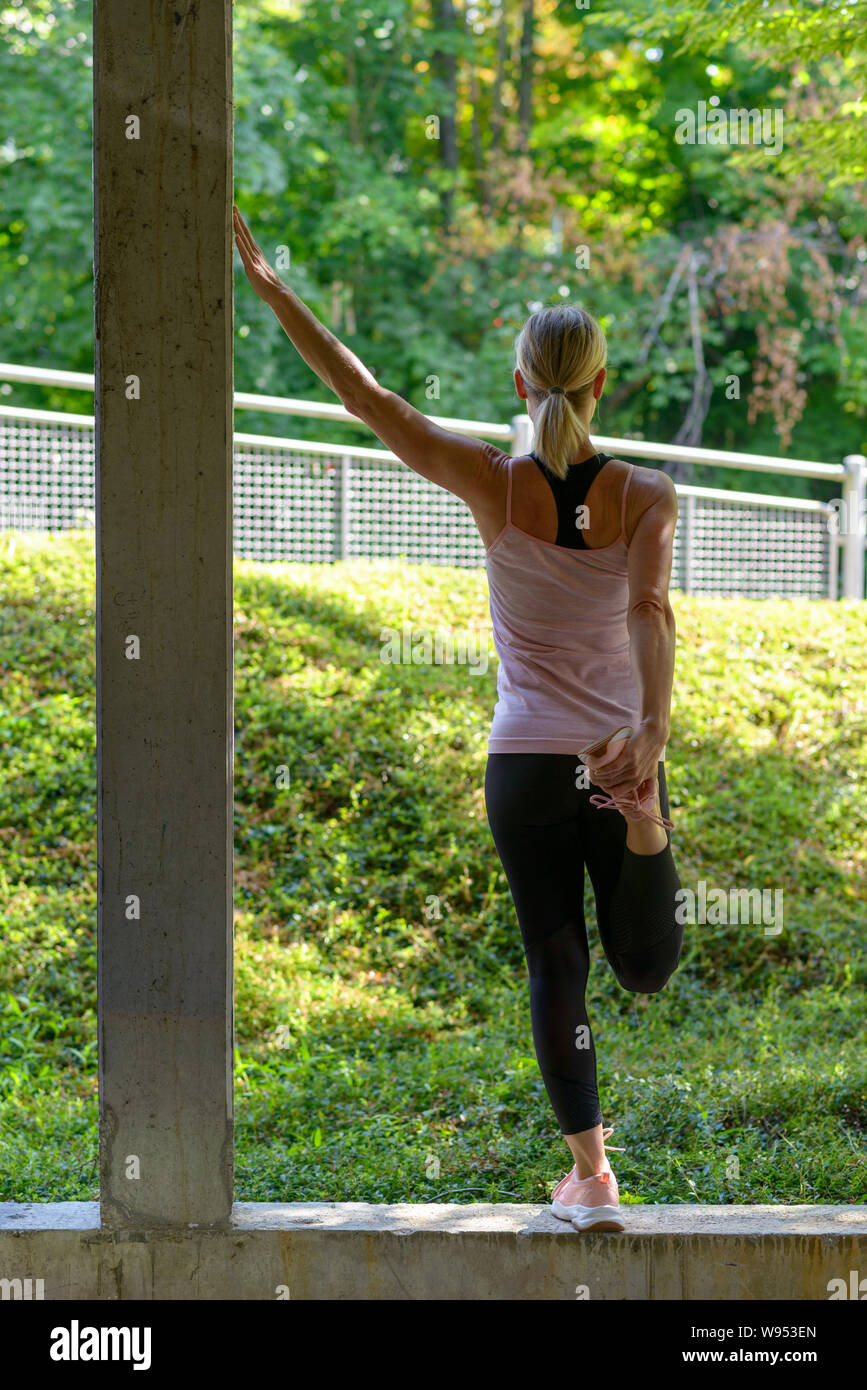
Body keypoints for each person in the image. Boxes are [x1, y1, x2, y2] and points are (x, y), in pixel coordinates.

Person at [233, 207, 684, 1232]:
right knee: (646, 967)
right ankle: (647, 823)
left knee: (556, 961)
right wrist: (650, 733)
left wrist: (275, 292)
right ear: (601, 385)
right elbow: (651, 610)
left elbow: (366, 396)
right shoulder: (647, 495)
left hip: (526, 763)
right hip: (619, 756)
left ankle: (592, 1176)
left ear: (522, 385)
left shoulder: (494, 482)